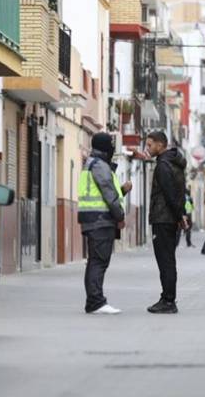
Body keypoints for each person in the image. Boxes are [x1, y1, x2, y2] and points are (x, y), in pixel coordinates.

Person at [78, 133, 132, 314]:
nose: (112, 148)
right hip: (100, 221)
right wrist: (120, 216)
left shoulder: (93, 164)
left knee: (95, 261)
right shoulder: (100, 166)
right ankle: (96, 302)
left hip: (93, 219)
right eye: (110, 145)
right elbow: (108, 194)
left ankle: (93, 301)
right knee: (99, 262)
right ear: (104, 147)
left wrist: (122, 191)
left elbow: (108, 193)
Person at [145, 131, 188, 314]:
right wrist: (181, 215)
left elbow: (171, 194)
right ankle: (167, 298)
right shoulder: (174, 163)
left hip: (163, 218)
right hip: (170, 218)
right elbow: (179, 192)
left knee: (165, 261)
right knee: (168, 260)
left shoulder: (163, 165)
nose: (147, 148)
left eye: (150, 145)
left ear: (160, 145)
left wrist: (180, 216)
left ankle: (168, 301)